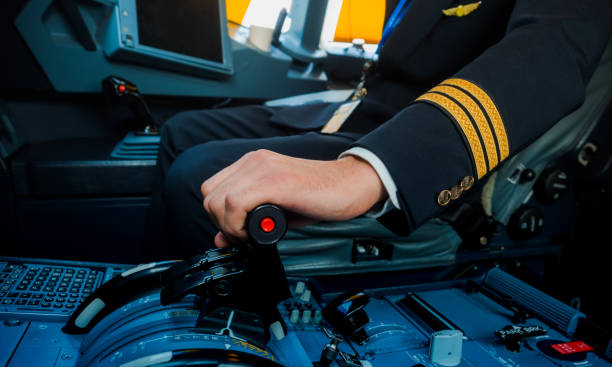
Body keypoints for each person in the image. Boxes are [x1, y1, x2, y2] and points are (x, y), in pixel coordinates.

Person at [156, 0, 611, 256]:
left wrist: (367, 171)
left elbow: (547, 57)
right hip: (359, 111)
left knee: (200, 172)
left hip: (413, 138)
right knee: (181, 131)